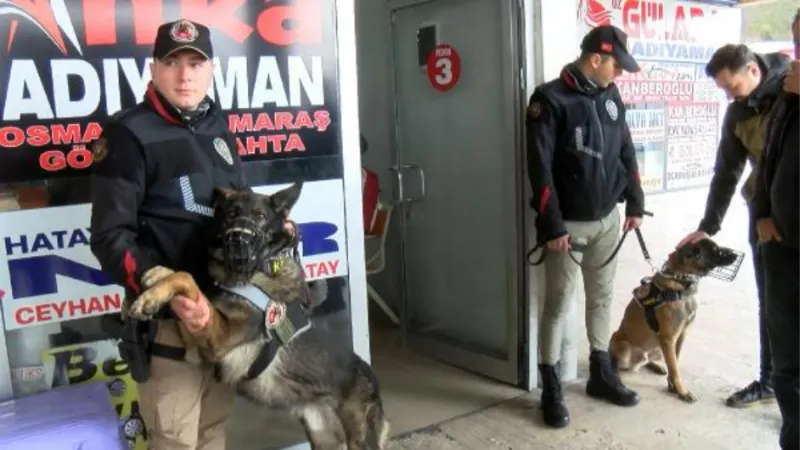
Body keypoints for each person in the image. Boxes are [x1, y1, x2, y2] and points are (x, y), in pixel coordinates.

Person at [89, 19, 294, 449]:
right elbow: (110, 237)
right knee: (175, 441)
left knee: (212, 431)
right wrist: (169, 292)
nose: (185, 75)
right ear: (153, 68)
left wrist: (276, 227)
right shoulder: (127, 135)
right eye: (172, 62)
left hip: (222, 317)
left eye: (196, 63)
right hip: (170, 327)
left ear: (212, 70)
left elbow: (239, 203)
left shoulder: (217, 126)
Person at [526, 24, 645, 429]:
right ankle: (551, 386)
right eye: (616, 65)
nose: (620, 73)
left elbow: (625, 149)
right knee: (558, 303)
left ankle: (600, 374)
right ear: (596, 59)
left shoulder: (610, 95)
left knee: (602, 298)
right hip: (567, 228)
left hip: (608, 220)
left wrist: (636, 200)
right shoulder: (549, 99)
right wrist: (553, 224)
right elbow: (539, 169)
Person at [676, 44, 790, 408]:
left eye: (731, 86)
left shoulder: (792, 89)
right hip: (766, 215)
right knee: (771, 301)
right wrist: (709, 225)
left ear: (753, 71)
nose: (728, 95)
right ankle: (771, 380)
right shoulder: (738, 113)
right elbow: (726, 172)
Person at [753, 10, 800, 449]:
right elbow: (767, 159)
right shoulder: (788, 93)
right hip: (783, 248)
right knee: (787, 362)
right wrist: (762, 216)